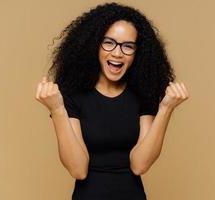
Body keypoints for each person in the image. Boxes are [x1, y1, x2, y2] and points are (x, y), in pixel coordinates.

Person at [35, 2, 189, 200]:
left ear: (137, 53)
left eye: (128, 46)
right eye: (109, 42)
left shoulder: (143, 94)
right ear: (94, 45)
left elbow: (139, 164)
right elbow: (78, 169)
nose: (117, 53)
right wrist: (57, 110)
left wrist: (166, 109)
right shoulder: (73, 95)